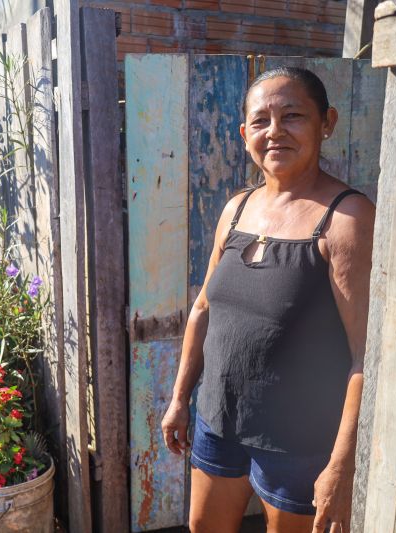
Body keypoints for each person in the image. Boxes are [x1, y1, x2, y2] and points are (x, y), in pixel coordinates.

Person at [160, 67, 375, 533]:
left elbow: (366, 356)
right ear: (244, 134)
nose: (274, 132)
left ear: (326, 122)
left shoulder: (346, 220)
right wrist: (180, 399)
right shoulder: (236, 209)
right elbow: (203, 310)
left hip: (299, 442)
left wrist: (341, 465)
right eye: (261, 121)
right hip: (218, 422)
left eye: (292, 115)